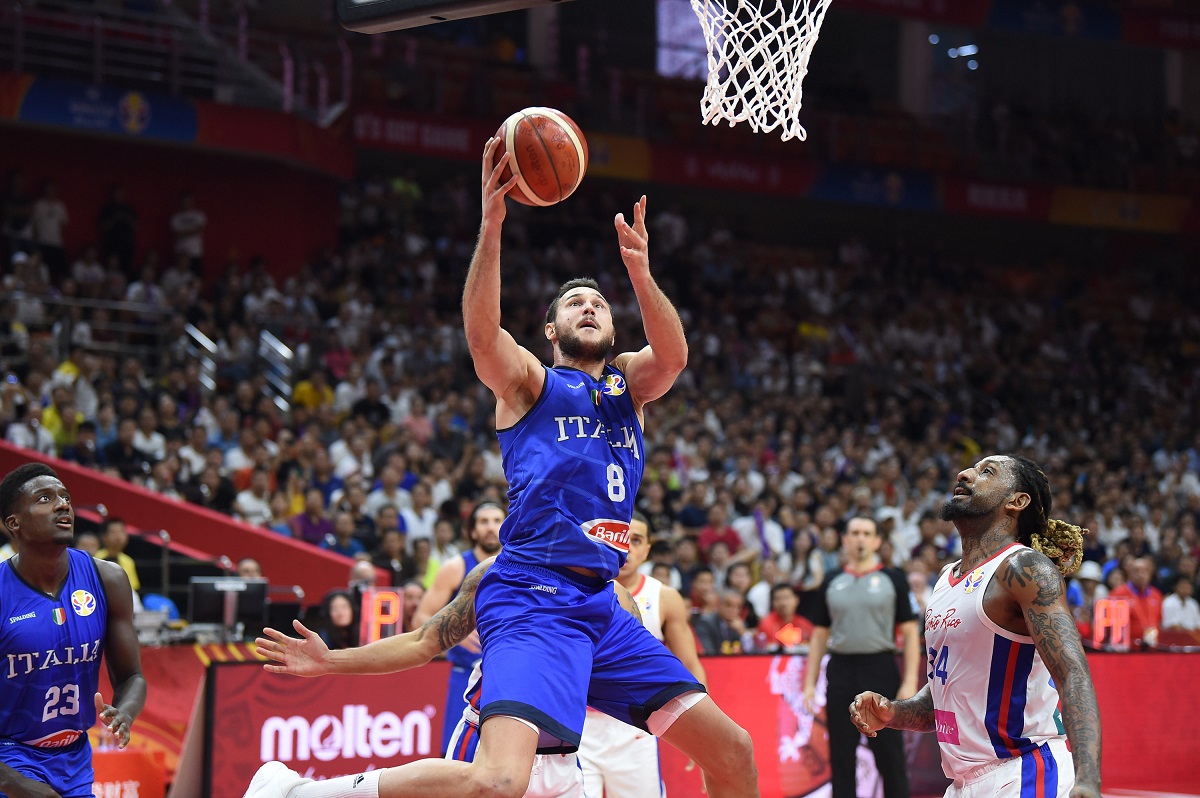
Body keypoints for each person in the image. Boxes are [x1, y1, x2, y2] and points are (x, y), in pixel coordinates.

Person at [245, 137, 757, 798]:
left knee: (734, 752)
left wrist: (638, 271)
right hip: (533, 598)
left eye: (599, 302)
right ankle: (302, 794)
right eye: (574, 303)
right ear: (550, 330)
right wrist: (491, 227)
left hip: (598, 606)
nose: (590, 307)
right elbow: (482, 335)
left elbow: (675, 355)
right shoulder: (529, 386)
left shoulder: (627, 385)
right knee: (498, 782)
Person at [254, 555, 643, 798]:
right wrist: (331, 662)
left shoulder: (615, 596)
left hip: (563, 754)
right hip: (486, 742)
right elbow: (422, 642)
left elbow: (629, 680)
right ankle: (300, 792)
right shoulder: (497, 572)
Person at [850, 455, 1102, 798]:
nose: (965, 474)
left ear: (1017, 501)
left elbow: (1073, 673)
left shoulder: (1024, 569)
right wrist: (893, 712)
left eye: (987, 472)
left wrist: (1088, 779)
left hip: (1025, 772)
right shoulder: (944, 578)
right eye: (972, 468)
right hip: (963, 784)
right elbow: (942, 694)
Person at [0, 462, 146, 796]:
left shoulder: (107, 579)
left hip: (75, 758)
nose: (62, 504)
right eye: (44, 498)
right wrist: (14, 781)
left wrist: (124, 712)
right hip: (8, 756)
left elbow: (132, 677)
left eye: (65, 496)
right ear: (14, 523)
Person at [578, 512, 708, 798]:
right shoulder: (577, 587)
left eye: (636, 540)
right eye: (621, 538)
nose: (627, 547)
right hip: (579, 725)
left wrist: (703, 734)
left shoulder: (664, 596)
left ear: (648, 548)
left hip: (634, 727)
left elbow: (689, 665)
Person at [803, 516, 921, 798]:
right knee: (842, 755)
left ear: (877, 541)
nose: (860, 538)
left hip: (880, 668)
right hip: (841, 669)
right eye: (854, 533)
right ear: (845, 539)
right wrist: (809, 682)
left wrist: (909, 682)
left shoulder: (893, 578)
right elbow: (819, 636)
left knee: (889, 754)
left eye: (867, 533)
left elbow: (910, 632)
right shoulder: (832, 581)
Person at [412, 500, 506, 754]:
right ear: (472, 531)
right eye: (483, 522)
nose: (490, 527)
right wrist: (453, 635)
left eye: (497, 521)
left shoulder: (520, 566)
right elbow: (420, 618)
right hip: (465, 675)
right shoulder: (456, 567)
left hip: (507, 675)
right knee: (457, 758)